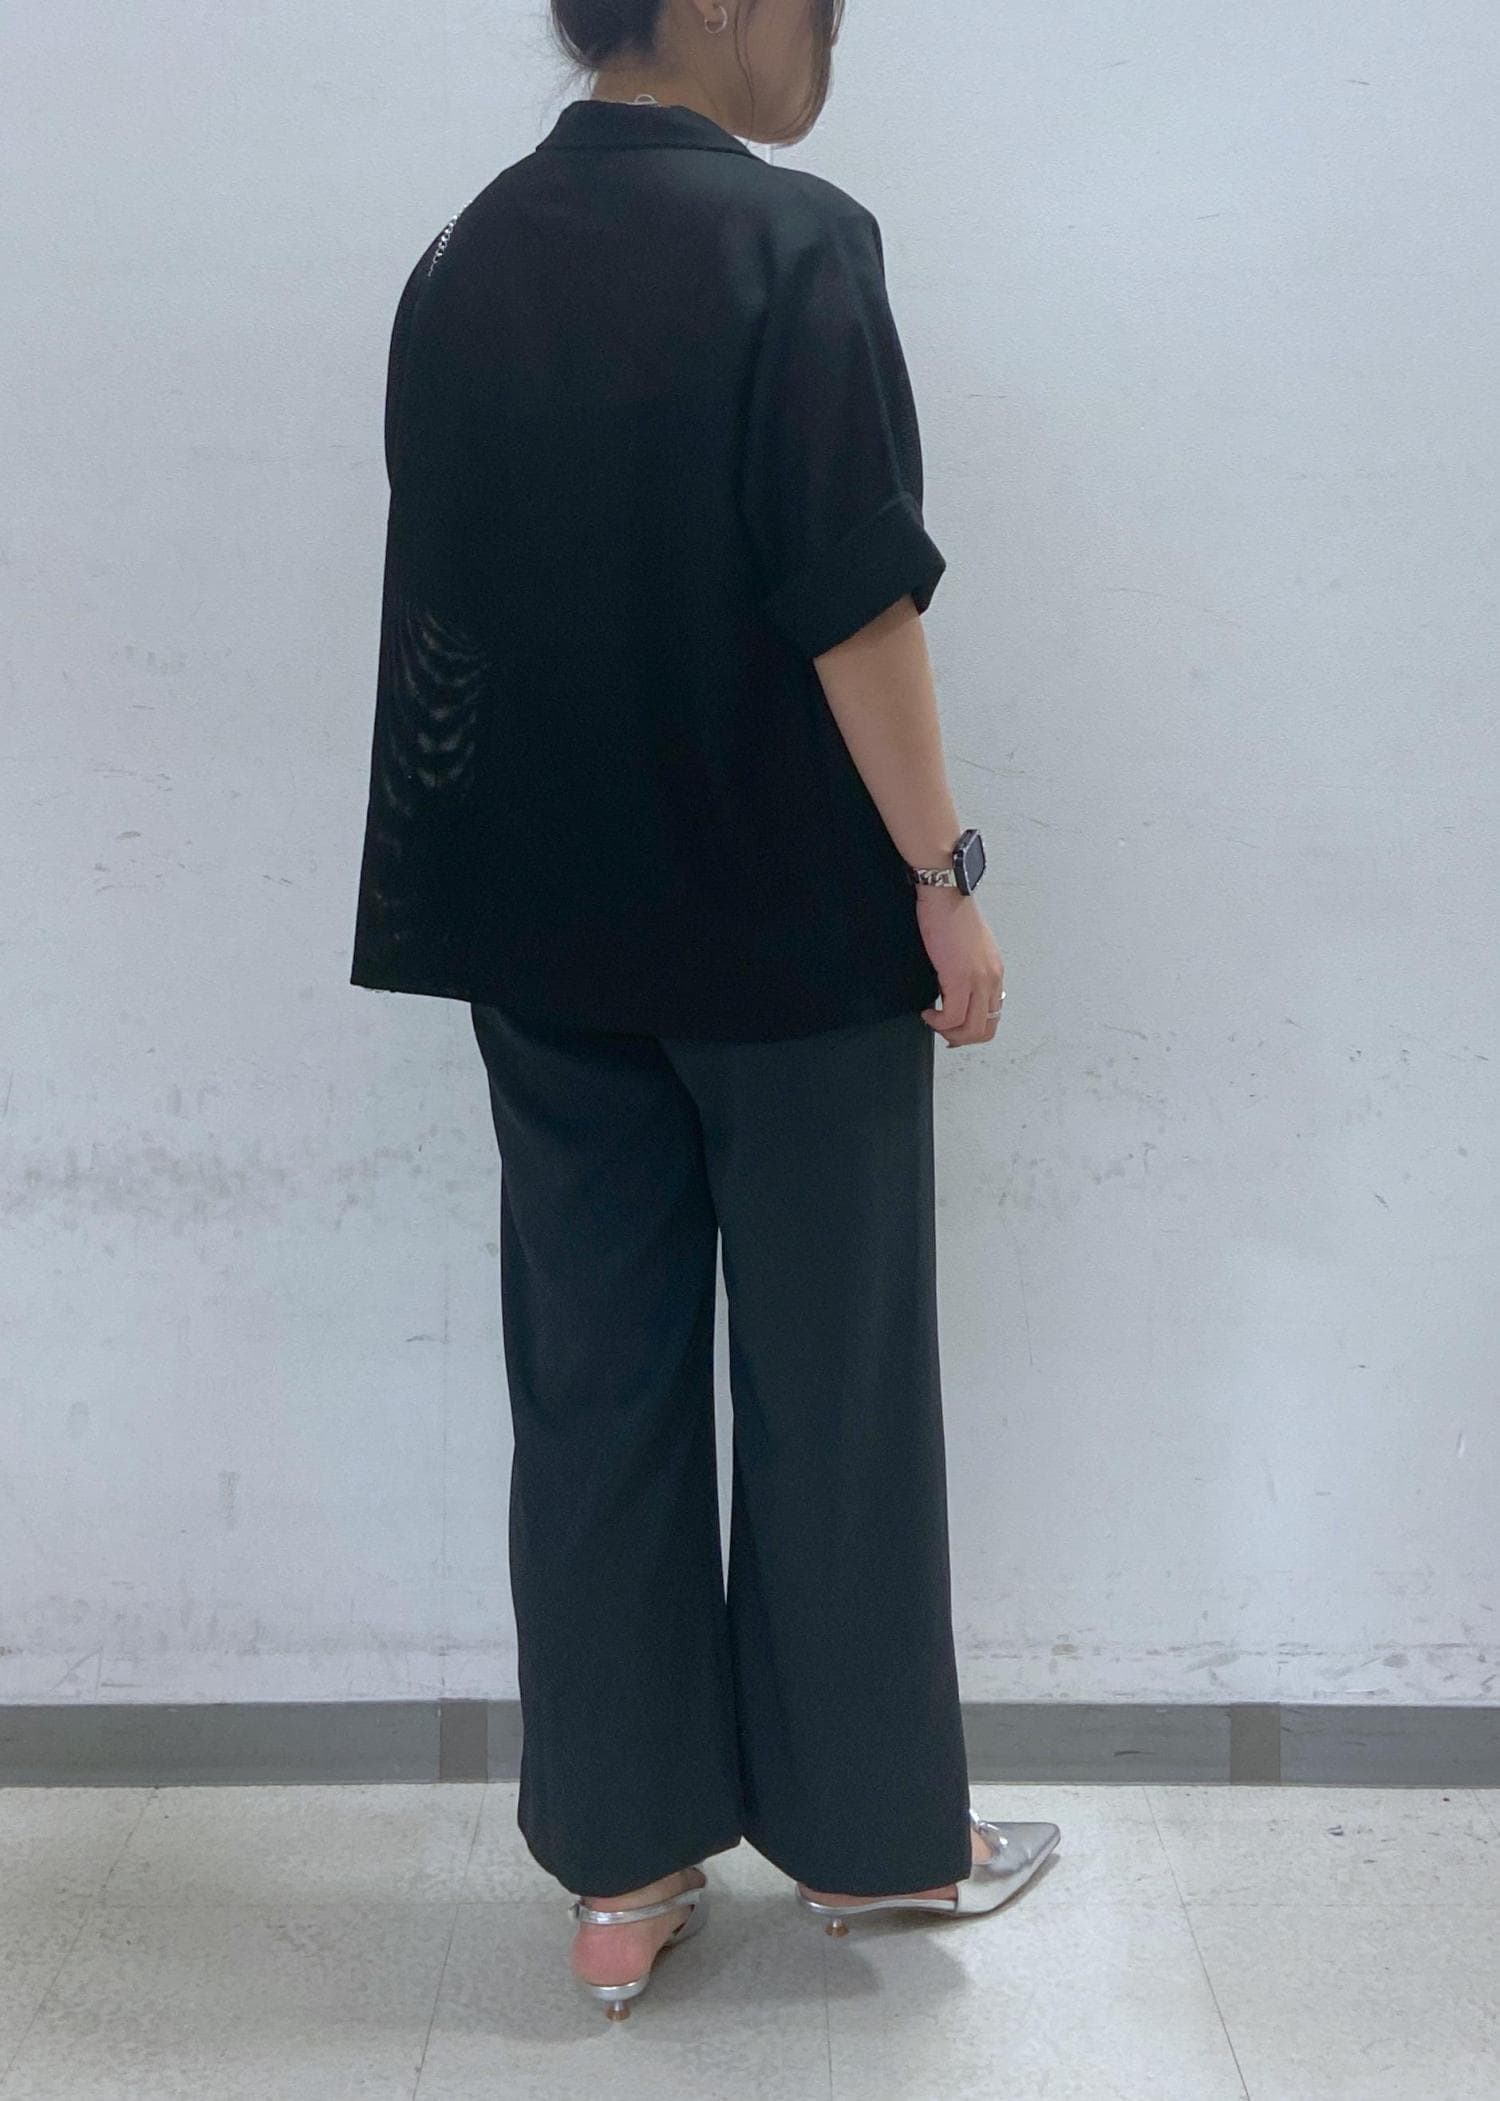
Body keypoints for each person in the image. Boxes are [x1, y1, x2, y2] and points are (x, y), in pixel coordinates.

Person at [349, 0, 1059, 2020]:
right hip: (791, 942)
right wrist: (942, 875)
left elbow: (450, 599)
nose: (827, 44)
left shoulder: (463, 254)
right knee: (837, 1382)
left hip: (544, 940)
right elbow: (855, 595)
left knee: (592, 1381)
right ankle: (875, 1839)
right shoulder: (794, 243)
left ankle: (621, 1865)